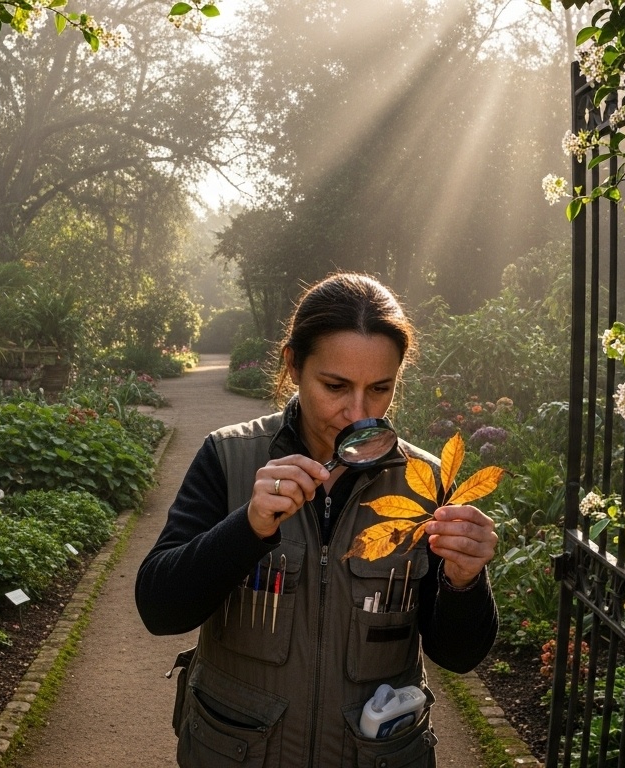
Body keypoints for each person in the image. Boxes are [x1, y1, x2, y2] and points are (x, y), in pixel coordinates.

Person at [136, 273, 499, 767]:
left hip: (376, 754)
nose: (357, 413)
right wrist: (249, 526)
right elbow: (160, 609)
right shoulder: (229, 456)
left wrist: (464, 582)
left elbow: (458, 654)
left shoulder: (425, 482)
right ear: (293, 365)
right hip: (238, 751)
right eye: (335, 386)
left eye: (380, 388)